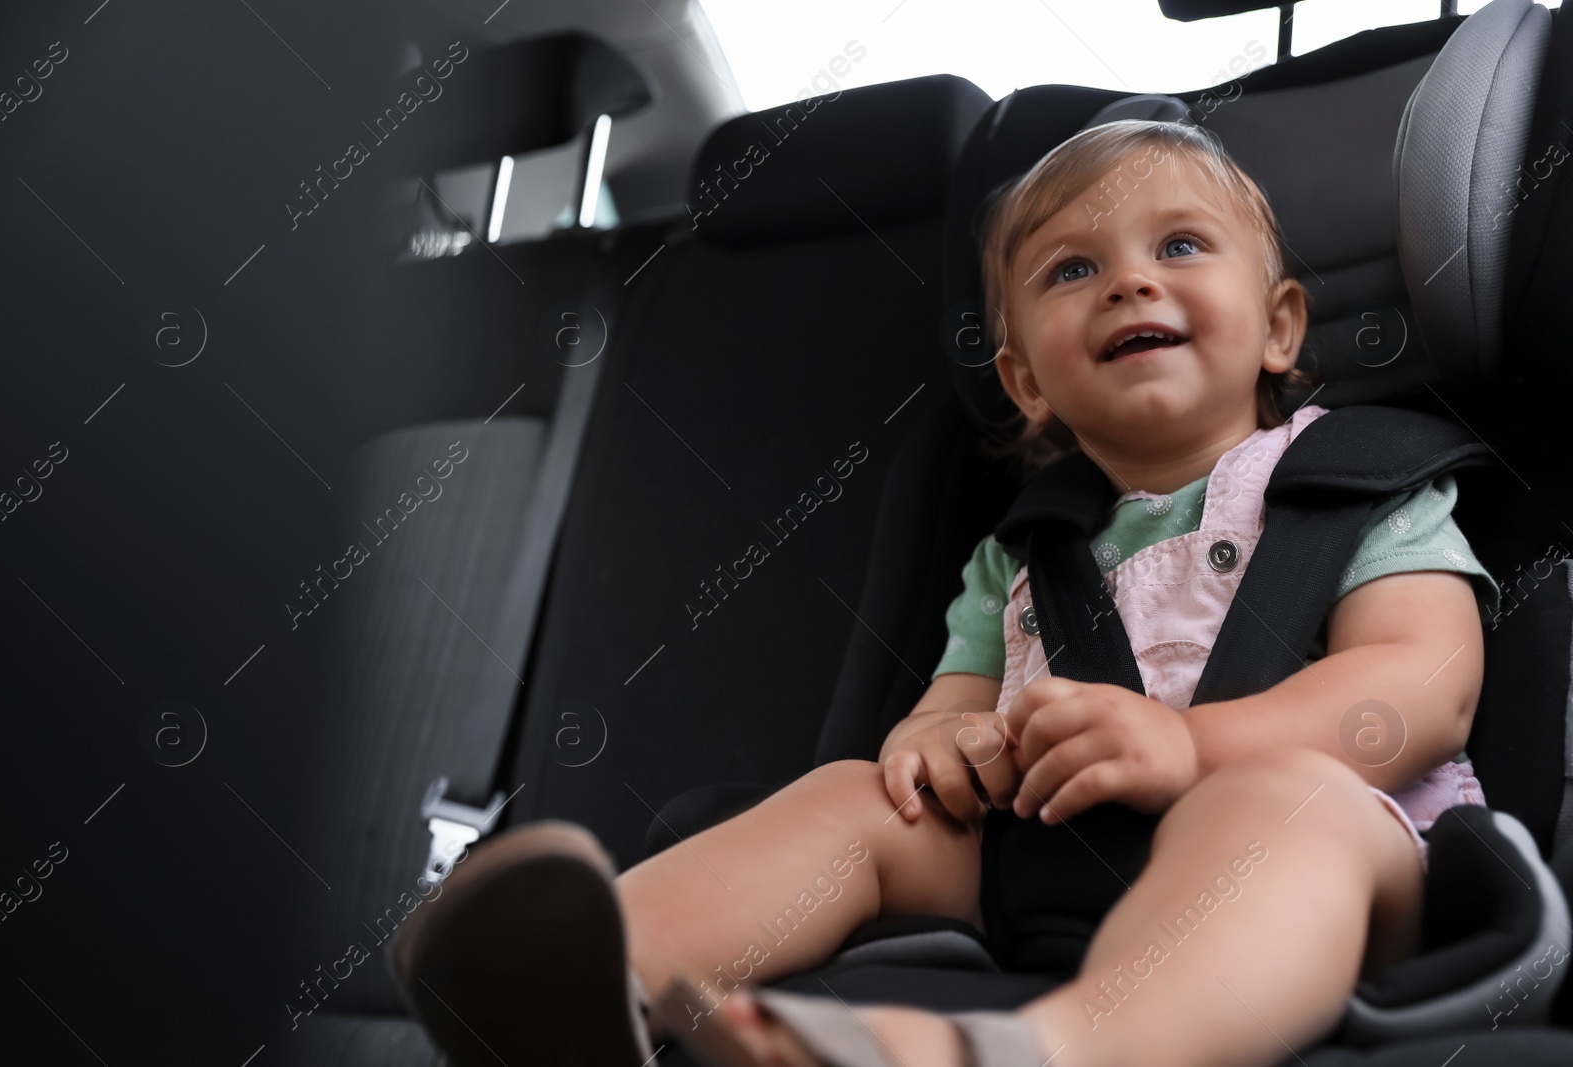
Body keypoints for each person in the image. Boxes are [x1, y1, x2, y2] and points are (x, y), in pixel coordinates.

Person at [388, 119, 1502, 1067]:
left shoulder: (1354, 487)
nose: (1128, 279)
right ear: (1024, 378)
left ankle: (1057, 1048)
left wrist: (1192, 749)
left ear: (1278, 326)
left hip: (1336, 871)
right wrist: (938, 745)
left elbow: (1422, 682)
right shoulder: (1017, 555)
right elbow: (951, 708)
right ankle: (594, 981)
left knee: (1276, 807)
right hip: (1048, 865)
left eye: (1179, 245)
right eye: (1072, 270)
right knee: (856, 796)